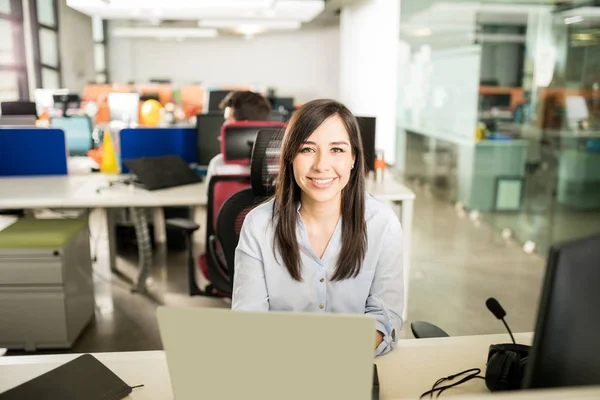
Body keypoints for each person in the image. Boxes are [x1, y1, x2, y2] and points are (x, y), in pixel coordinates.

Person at [232, 99, 404, 356]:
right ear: (289, 156)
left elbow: (386, 318)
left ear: (353, 158)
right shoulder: (258, 226)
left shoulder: (382, 224)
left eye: (337, 150)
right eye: (307, 149)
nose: (322, 165)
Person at [205, 90, 272, 189]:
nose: (224, 125)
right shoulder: (280, 165)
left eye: (228, 120)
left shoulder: (218, 165)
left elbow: (209, 201)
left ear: (242, 127)